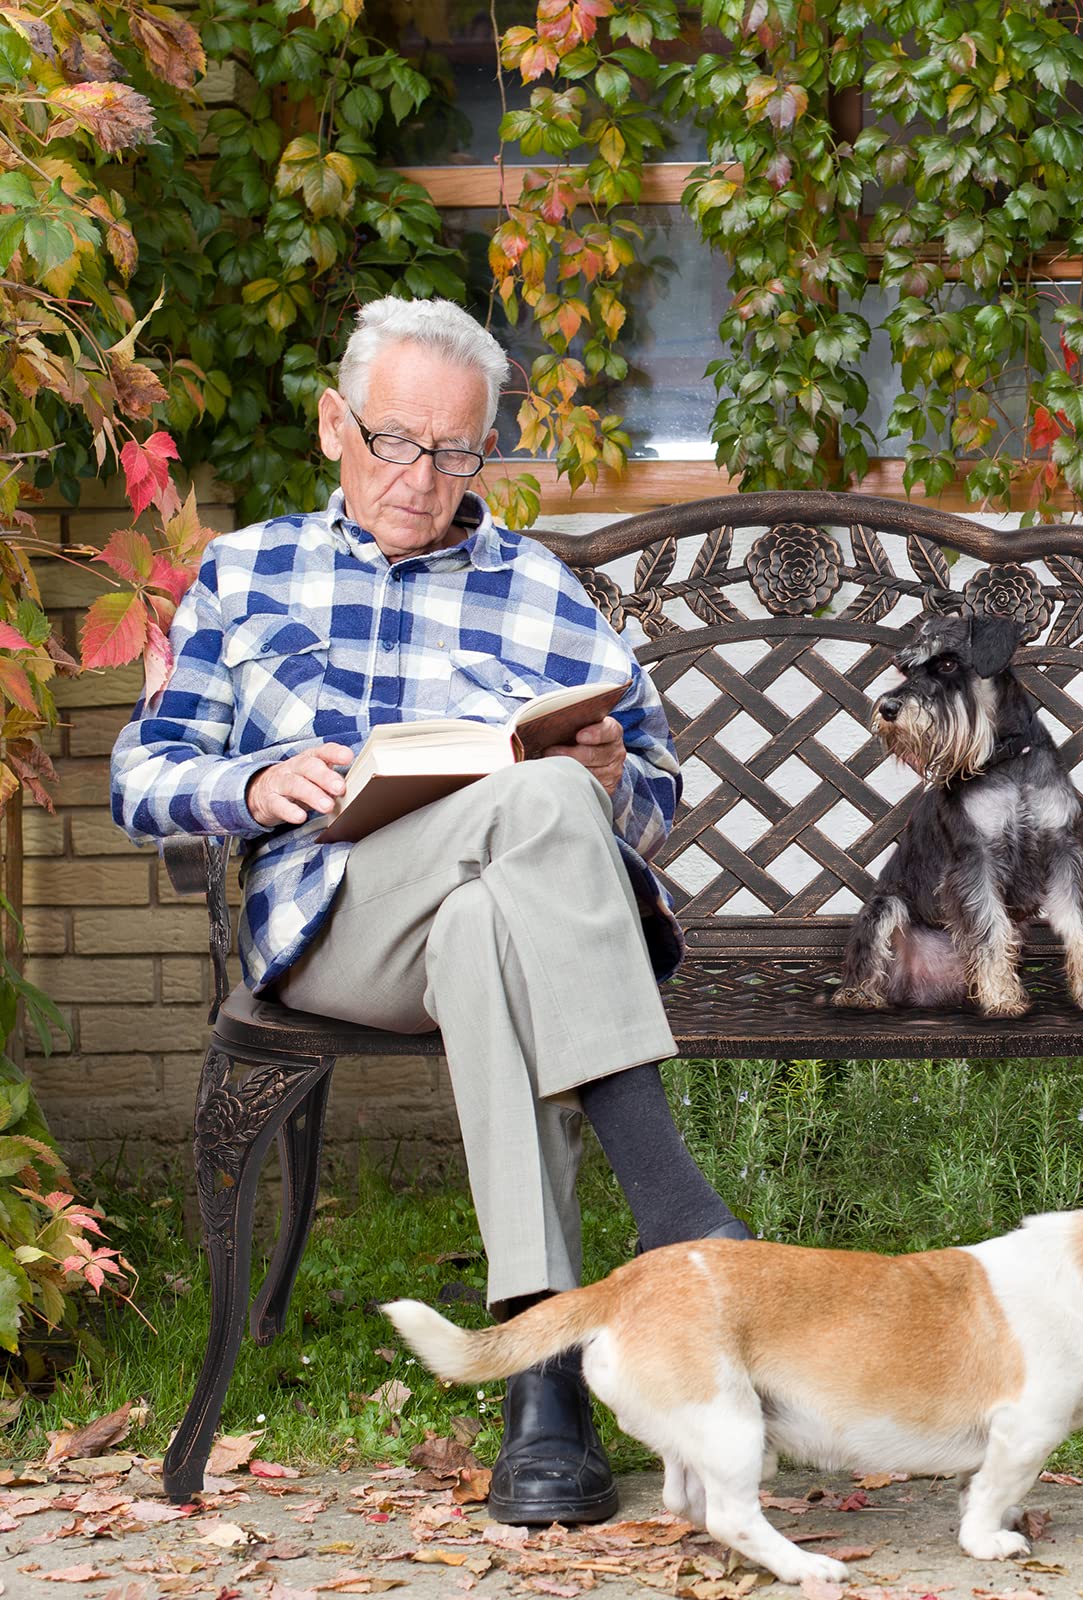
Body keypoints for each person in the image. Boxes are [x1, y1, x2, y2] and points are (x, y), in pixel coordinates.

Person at [110, 296, 749, 1526]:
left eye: (459, 452)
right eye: (399, 442)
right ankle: (674, 1207)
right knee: (546, 801)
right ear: (334, 425)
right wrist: (249, 781)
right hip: (333, 924)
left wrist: (616, 784)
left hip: (489, 923)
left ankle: (542, 1379)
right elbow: (142, 775)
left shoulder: (541, 588)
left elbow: (657, 793)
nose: (425, 478)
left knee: (501, 906)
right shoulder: (244, 575)